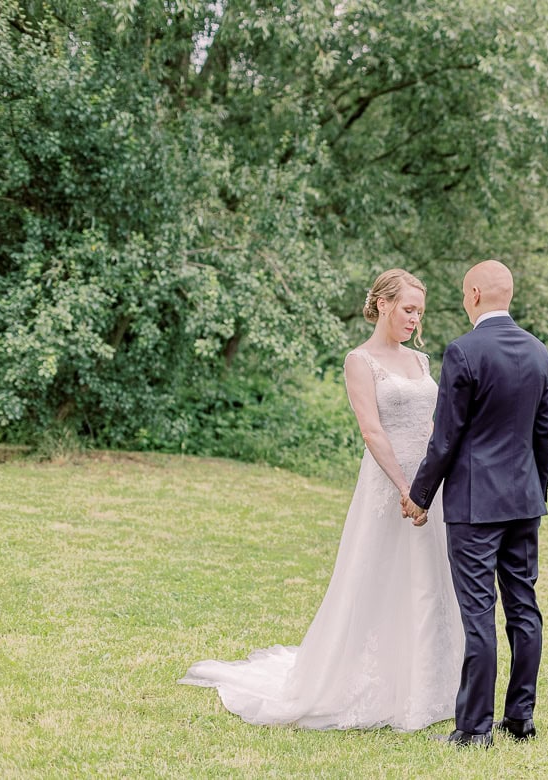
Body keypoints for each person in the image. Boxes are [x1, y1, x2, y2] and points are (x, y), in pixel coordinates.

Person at [179, 269, 463, 732]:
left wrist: (431, 483)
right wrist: (405, 489)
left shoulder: (422, 362)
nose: (415, 319)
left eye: (420, 312)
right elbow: (372, 430)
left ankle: (430, 684)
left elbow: (435, 425)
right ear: (385, 304)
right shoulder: (360, 360)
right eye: (409, 309)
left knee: (429, 582)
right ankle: (370, 684)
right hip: (389, 486)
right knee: (379, 579)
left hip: (431, 487)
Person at [403, 259, 548, 749]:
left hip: (474, 506)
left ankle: (473, 729)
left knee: (478, 615)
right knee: (523, 609)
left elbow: (445, 440)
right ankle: (520, 719)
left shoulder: (464, 352)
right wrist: (536, 493)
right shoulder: (539, 353)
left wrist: (419, 494)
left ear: (473, 294)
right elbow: (544, 436)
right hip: (523, 502)